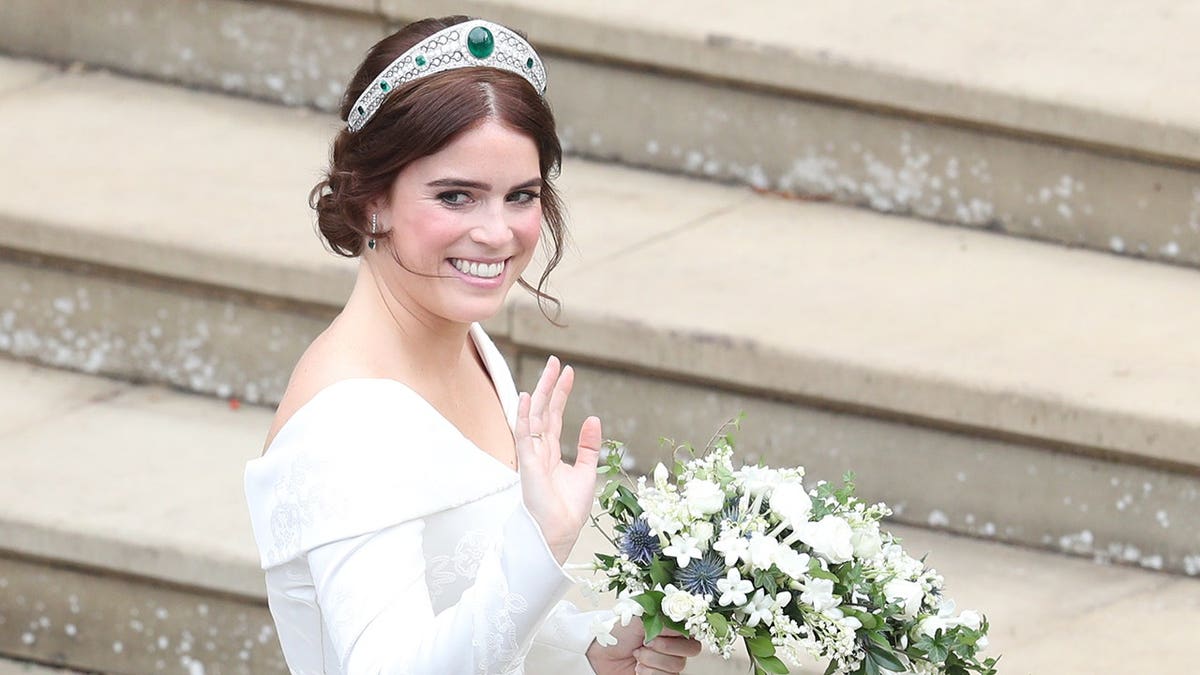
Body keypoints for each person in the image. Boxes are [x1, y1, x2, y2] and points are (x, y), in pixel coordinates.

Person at [243, 16, 702, 674]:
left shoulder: (469, 345)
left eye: (521, 196)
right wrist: (540, 545)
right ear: (373, 201)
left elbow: (467, 606)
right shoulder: (346, 427)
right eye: (456, 196)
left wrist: (590, 649)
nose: (497, 233)